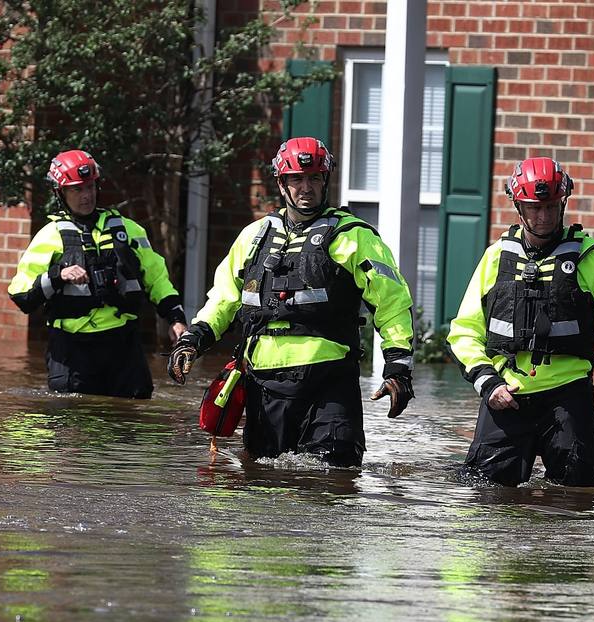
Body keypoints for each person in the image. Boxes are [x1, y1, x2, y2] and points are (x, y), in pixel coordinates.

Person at [167, 137, 415, 466]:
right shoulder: (254, 236)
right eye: (296, 179)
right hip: (263, 387)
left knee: (332, 480)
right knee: (260, 480)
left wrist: (398, 367)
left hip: (328, 386)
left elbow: (392, 302)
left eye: (314, 178)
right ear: (281, 183)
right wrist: (192, 340)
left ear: (326, 180)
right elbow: (224, 299)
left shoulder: (355, 236)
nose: (306, 188)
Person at [446, 156, 594, 487]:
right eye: (534, 208)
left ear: (563, 204)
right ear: (518, 207)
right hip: (505, 394)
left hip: (568, 398)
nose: (543, 217)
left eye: (550, 207)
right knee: (484, 494)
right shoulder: (495, 258)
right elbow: (463, 332)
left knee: (578, 495)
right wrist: (488, 383)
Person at [7, 149, 187, 399]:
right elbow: (22, 296)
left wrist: (176, 318)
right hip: (72, 350)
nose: (86, 195)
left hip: (123, 347)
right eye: (77, 189)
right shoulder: (49, 236)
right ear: (60, 192)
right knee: (70, 417)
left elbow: (157, 280)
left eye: (90, 187)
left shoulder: (129, 230)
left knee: (133, 414)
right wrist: (58, 275)